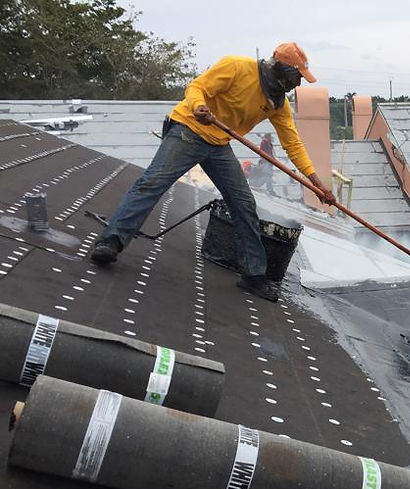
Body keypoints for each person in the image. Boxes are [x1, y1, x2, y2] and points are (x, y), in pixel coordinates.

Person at [90, 42, 335, 302]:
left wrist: (317, 185)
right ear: (283, 69)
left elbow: (292, 144)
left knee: (243, 204)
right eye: (297, 77)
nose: (298, 84)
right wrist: (198, 106)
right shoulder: (237, 66)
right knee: (152, 184)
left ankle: (253, 276)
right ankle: (111, 241)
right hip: (188, 129)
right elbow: (197, 88)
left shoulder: (276, 103)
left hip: (218, 144)